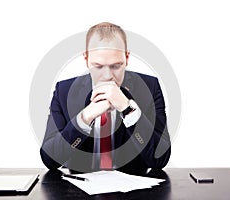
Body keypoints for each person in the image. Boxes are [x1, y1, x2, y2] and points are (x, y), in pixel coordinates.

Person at [40, 22, 171, 175]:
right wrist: (85, 117)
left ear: (127, 58)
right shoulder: (64, 91)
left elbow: (160, 159)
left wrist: (128, 110)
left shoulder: (150, 88)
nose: (108, 76)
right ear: (86, 59)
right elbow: (50, 160)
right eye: (98, 66)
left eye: (116, 66)